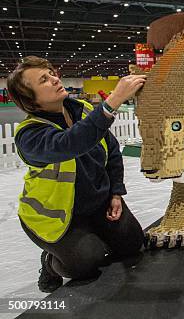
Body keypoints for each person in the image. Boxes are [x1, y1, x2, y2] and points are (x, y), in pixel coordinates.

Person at [7, 56, 147, 293]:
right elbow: (70, 143)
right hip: (56, 218)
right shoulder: (29, 136)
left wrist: (115, 193)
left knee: (132, 243)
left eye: (51, 72)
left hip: (97, 205)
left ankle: (89, 238)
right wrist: (112, 101)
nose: (54, 79)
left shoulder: (85, 111)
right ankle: (51, 263)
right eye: (44, 79)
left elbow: (112, 151)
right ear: (30, 99)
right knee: (85, 263)